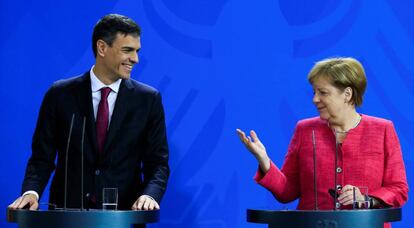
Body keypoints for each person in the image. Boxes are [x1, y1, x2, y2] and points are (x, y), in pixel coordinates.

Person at [9, 14, 169, 211]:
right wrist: (31, 192)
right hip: (67, 216)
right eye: (127, 50)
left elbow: (158, 163)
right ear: (102, 47)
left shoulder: (148, 99)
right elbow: (42, 157)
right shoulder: (60, 94)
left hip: (122, 217)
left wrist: (149, 195)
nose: (135, 59)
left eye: (137, 51)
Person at [237, 57, 408, 214]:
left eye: (323, 93)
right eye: (314, 92)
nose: (315, 99)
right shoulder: (304, 130)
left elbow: (398, 189)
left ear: (347, 95)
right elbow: (287, 192)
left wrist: (367, 200)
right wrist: (264, 161)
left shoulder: (383, 129)